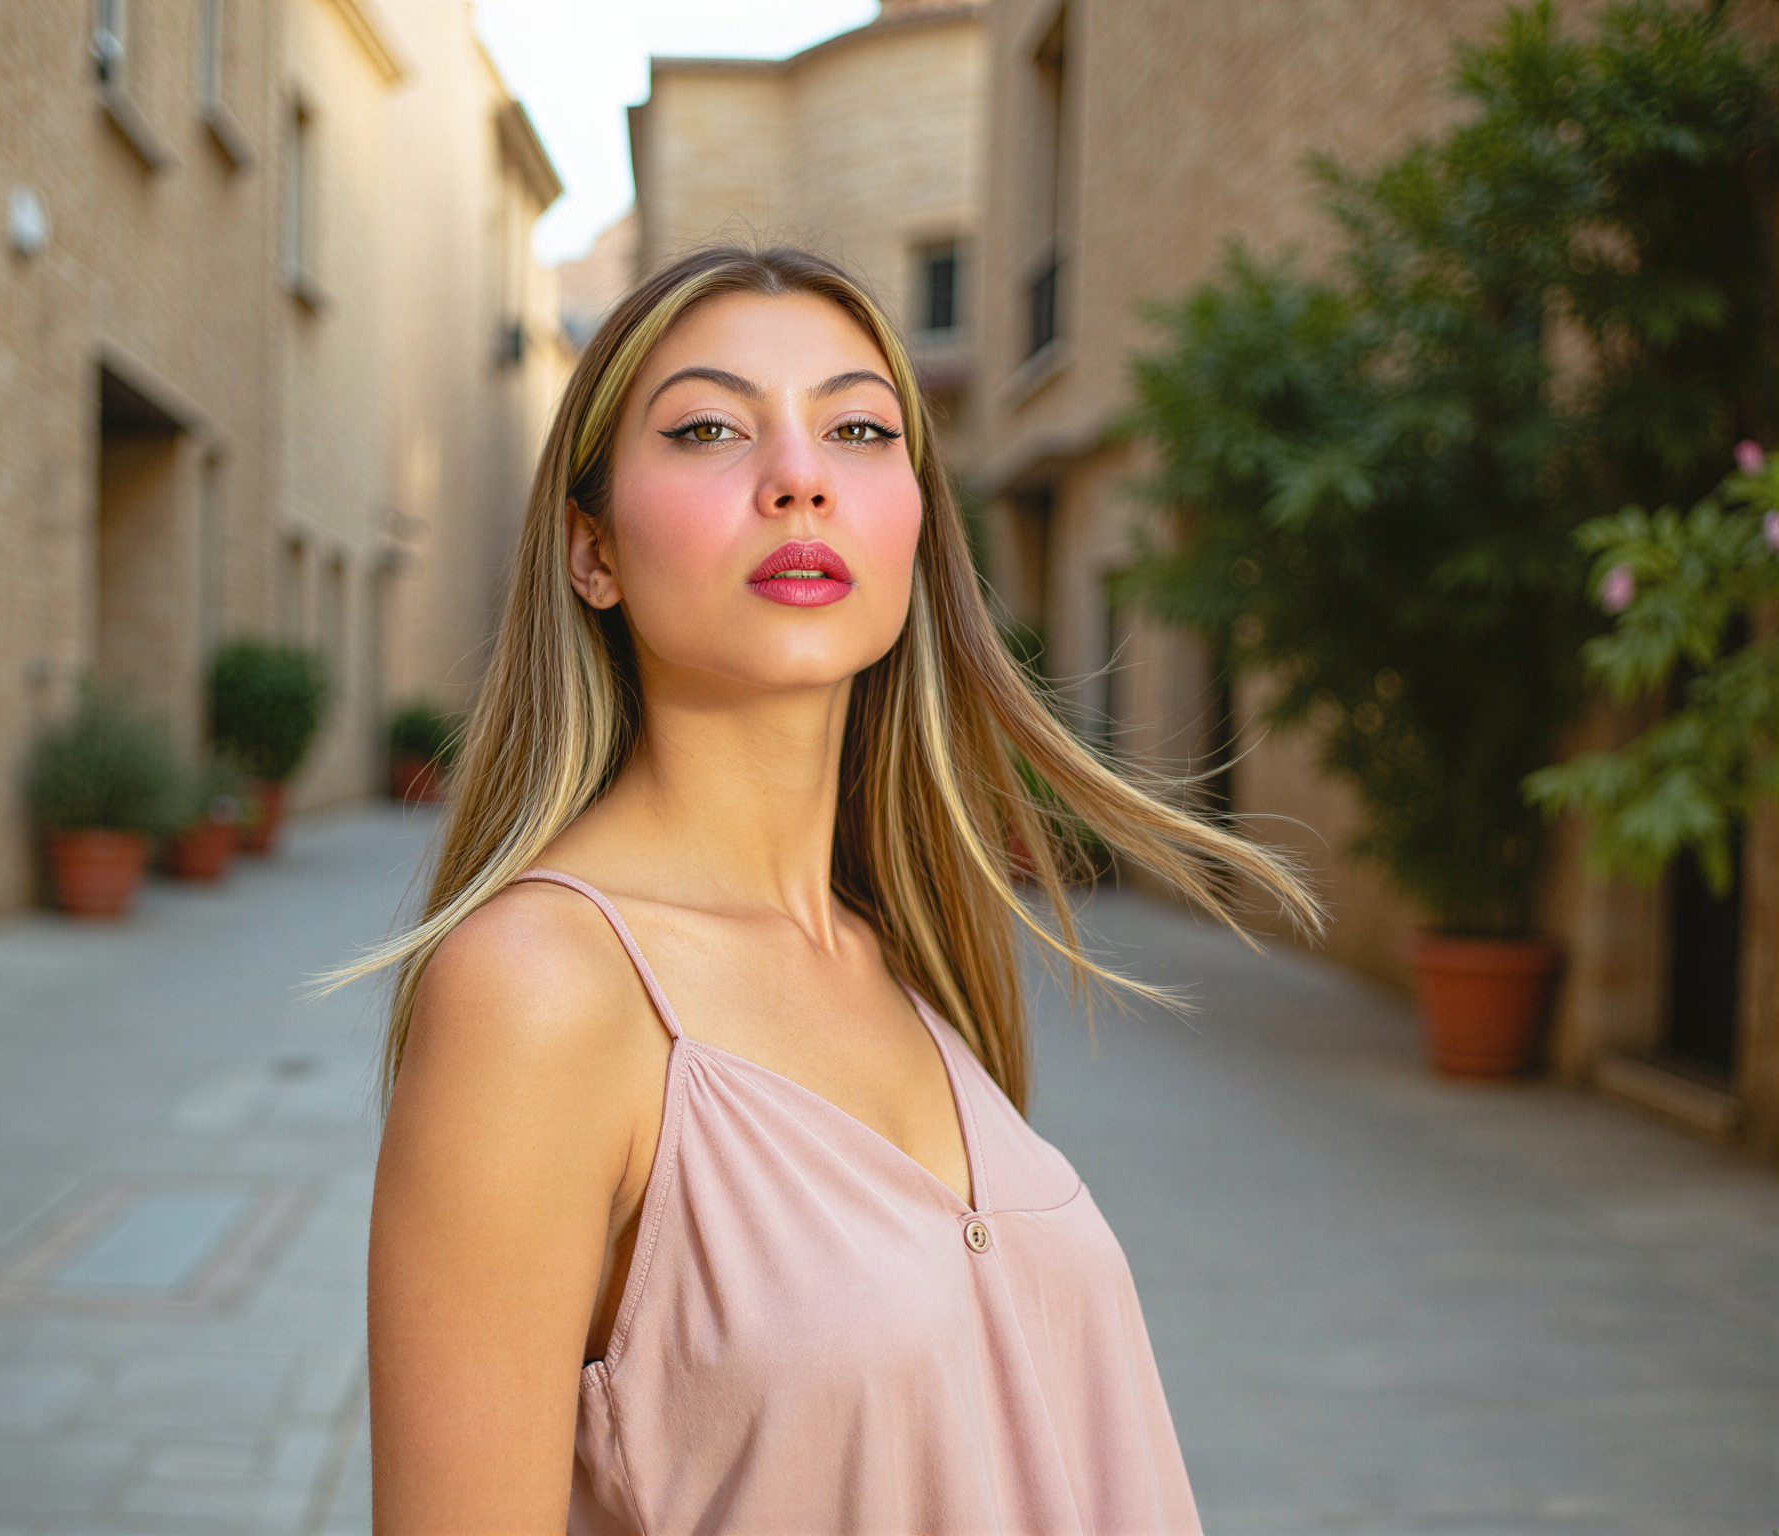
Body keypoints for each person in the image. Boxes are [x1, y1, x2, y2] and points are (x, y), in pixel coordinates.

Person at [362, 246, 1319, 1535]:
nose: (800, 477)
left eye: (860, 429)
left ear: (919, 528)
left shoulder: (907, 949)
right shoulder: (538, 989)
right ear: (593, 550)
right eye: (709, 429)